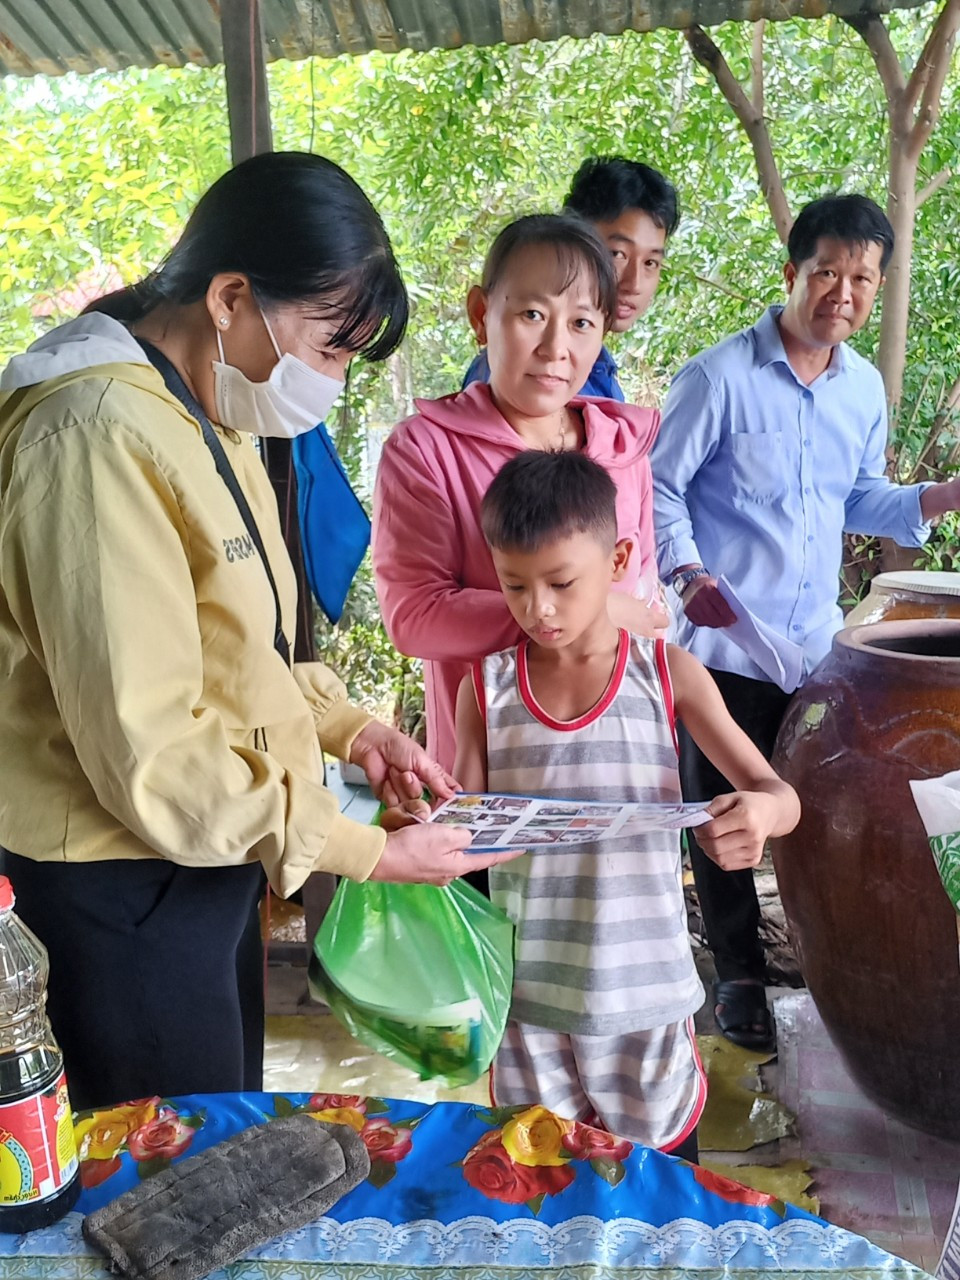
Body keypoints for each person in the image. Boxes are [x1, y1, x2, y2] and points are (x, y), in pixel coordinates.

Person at [0, 152, 520, 1111]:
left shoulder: (205, 411)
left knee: (222, 1125)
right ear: (232, 296)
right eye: (328, 346)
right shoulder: (95, 430)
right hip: (121, 886)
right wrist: (364, 849)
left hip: (205, 855)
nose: (331, 379)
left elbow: (245, 645)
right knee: (168, 1170)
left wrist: (351, 731)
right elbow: (151, 751)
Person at [386, 451, 799, 1157]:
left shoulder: (668, 675)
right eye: (514, 585)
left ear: (619, 561)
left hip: (648, 997)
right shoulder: (487, 690)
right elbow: (466, 831)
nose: (537, 609)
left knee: (661, 1198)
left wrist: (757, 817)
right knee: (547, 1183)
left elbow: (780, 797)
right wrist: (419, 829)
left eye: (561, 582)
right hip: (532, 1002)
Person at [652, 193, 960, 1051]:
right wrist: (685, 572)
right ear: (791, 273)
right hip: (721, 643)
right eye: (827, 271)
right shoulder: (716, 378)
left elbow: (861, 497)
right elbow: (656, 489)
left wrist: (939, 498)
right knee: (723, 808)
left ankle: (825, 951)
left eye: (863, 278)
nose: (844, 292)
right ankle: (741, 975)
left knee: (815, 804)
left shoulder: (863, 389)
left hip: (815, 648)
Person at [373, 213, 665, 776]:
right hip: (495, 771)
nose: (557, 347)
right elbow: (415, 615)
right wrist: (596, 611)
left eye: (582, 323)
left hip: (622, 759)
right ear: (482, 316)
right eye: (533, 314)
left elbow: (648, 602)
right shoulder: (428, 450)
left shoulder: (624, 448)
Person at [463, 156, 679, 399]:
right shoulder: (524, 377)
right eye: (616, 254)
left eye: (650, 262)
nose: (635, 284)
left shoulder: (595, 368)